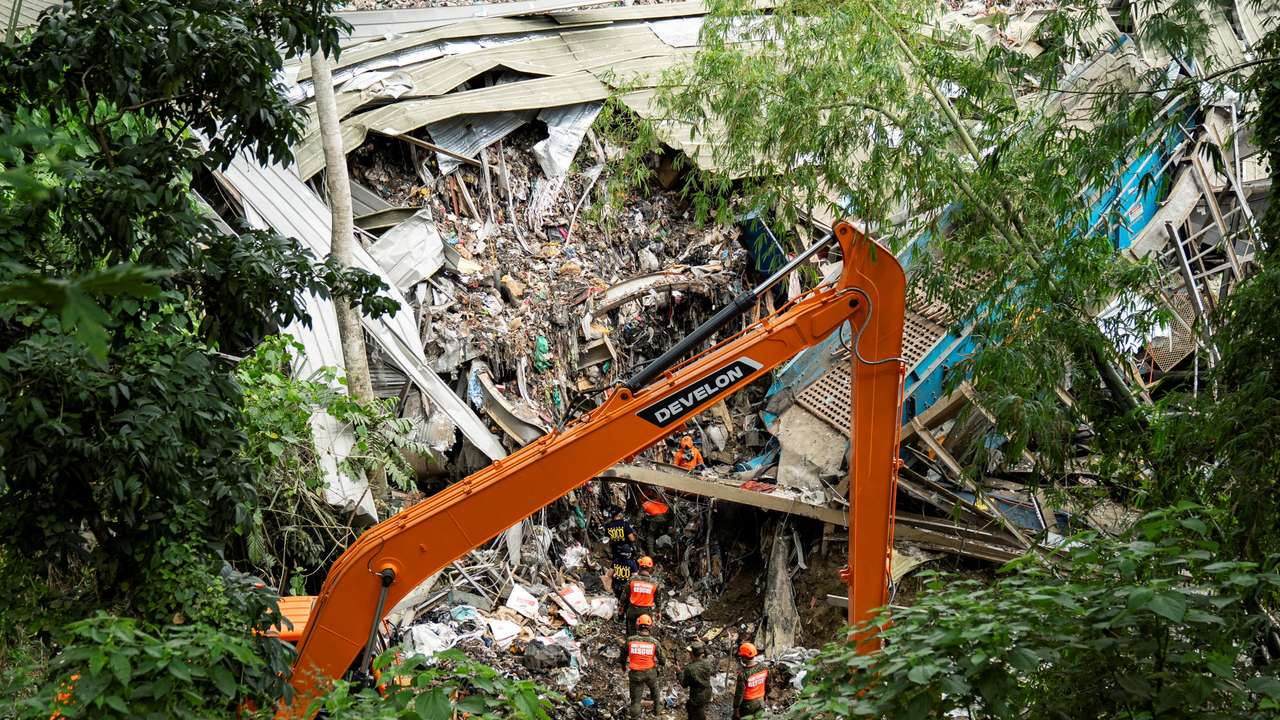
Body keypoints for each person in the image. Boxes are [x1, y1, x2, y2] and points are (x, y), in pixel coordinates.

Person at [623, 614, 663, 719]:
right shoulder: (654, 642)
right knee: (655, 691)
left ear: (638, 626)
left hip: (636, 674)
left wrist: (623, 666)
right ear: (650, 627)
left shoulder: (630, 640)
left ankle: (635, 717)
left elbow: (622, 656)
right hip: (650, 673)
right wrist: (660, 667)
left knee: (635, 701)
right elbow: (662, 659)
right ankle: (657, 711)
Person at [604, 506, 640, 605]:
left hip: (615, 551)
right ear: (619, 514)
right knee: (630, 568)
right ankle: (627, 588)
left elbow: (607, 538)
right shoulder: (625, 524)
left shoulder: (608, 526)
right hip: (627, 550)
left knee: (617, 567)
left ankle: (617, 589)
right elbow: (632, 539)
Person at [623, 555, 660, 634]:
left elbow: (625, 595)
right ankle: (646, 643)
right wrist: (658, 611)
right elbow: (657, 599)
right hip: (646, 611)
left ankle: (631, 643)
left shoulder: (632, 580)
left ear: (639, 566)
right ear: (650, 569)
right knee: (646, 631)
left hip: (632, 609)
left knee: (631, 632)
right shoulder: (654, 583)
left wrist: (621, 606)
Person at [679, 641, 713, 720]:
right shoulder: (708, 662)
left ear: (692, 654)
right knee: (699, 709)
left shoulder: (689, 668)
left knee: (695, 713)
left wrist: (678, 673)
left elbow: (684, 684)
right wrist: (702, 644)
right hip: (708, 693)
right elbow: (710, 655)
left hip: (697, 697)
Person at [733, 642, 767, 719]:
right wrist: (765, 698)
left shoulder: (743, 674)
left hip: (748, 704)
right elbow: (768, 685)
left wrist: (736, 709)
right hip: (761, 701)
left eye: (741, 656)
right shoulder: (764, 667)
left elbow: (739, 694)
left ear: (744, 657)